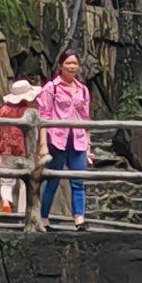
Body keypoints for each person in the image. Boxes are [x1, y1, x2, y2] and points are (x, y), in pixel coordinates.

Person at [37, 51, 93, 228]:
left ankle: (79, 219)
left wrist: (88, 147)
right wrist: (43, 145)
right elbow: (43, 115)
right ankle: (44, 218)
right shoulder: (51, 88)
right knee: (52, 180)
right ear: (60, 65)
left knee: (78, 180)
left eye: (75, 63)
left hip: (78, 139)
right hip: (57, 140)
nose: (72, 66)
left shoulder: (83, 89)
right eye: (68, 63)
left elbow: (86, 118)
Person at [0, 79, 40, 218]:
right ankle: (23, 211)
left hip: (6, 150)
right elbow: (35, 133)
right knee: (26, 182)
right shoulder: (31, 111)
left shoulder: (4, 110)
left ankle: (6, 201)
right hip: (24, 151)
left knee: (7, 181)